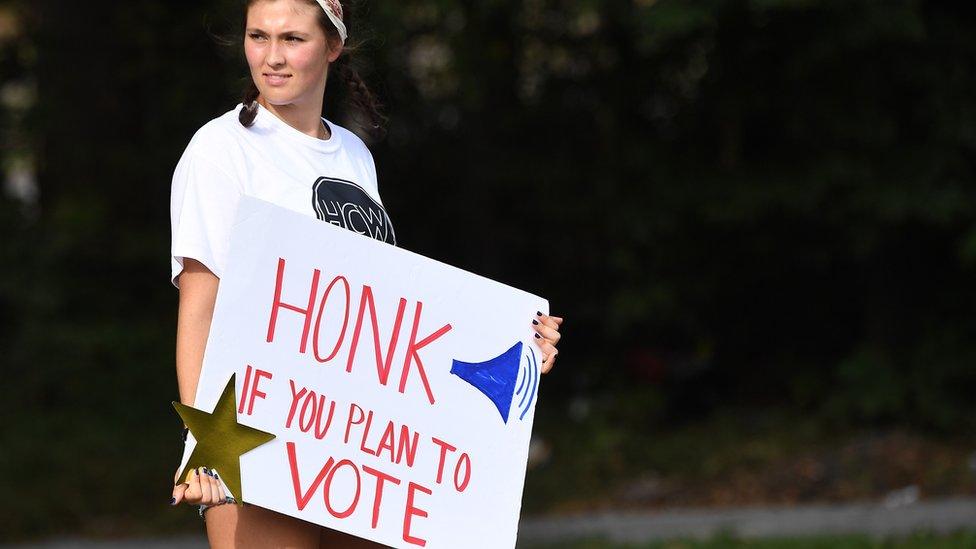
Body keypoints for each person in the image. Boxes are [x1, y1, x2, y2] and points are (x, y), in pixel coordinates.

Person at [167, 0, 563, 546]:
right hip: (252, 436)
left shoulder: (353, 154)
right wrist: (205, 442)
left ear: (333, 46)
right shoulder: (222, 149)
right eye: (259, 37)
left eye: (293, 39)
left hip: (354, 446)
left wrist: (510, 345)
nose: (272, 57)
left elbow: (380, 323)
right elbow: (200, 306)